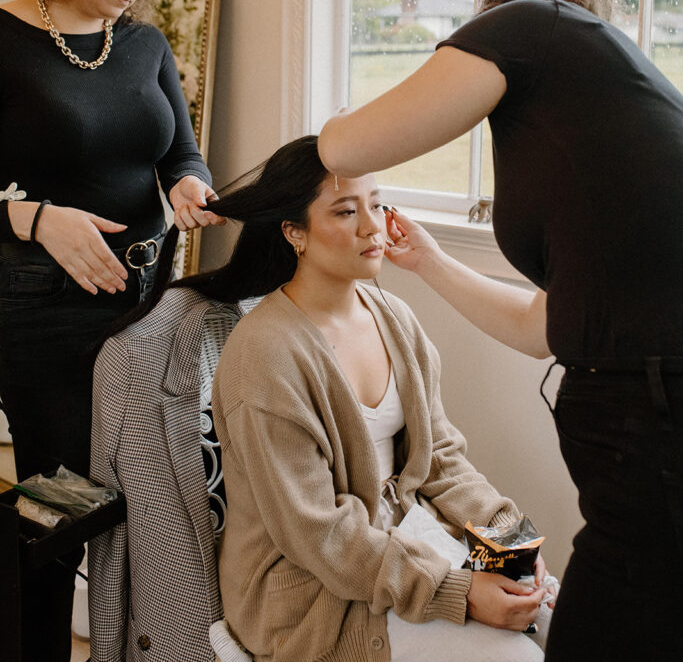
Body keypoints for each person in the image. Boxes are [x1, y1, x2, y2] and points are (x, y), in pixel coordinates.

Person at [318, 0, 683, 660]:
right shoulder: (619, 108)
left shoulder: (531, 29)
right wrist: (430, 262)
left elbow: (346, 148)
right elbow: (541, 327)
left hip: (651, 419)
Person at [133, 135, 551, 662]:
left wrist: (508, 536)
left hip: (400, 547)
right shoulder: (266, 354)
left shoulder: (393, 316)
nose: (372, 226)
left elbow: (441, 458)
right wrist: (457, 592)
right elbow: (317, 532)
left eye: (376, 204)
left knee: (558, 616)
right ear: (295, 233)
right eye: (345, 211)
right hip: (311, 594)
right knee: (516, 657)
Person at [0, 0, 223, 662]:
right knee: (58, 511)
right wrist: (32, 217)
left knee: (149, 500)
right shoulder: (2, 41)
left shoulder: (145, 44)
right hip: (40, 308)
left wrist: (189, 183)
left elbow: (179, 149)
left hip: (146, 302)